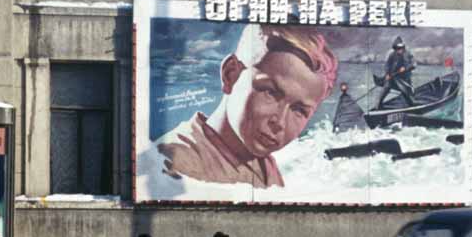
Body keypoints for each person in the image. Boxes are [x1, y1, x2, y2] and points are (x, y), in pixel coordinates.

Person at [145, 25, 338, 189]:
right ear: (231, 75)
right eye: (270, 92)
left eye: (299, 110)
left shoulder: (263, 164)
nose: (279, 122)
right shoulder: (174, 161)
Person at [376, 36, 416, 109]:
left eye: (400, 48)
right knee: (386, 87)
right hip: (393, 76)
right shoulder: (392, 55)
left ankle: (412, 106)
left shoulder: (408, 54)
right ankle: (378, 106)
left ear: (403, 48)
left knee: (406, 91)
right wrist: (387, 74)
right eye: (397, 48)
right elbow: (387, 65)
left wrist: (406, 68)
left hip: (404, 78)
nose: (399, 50)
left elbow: (414, 64)